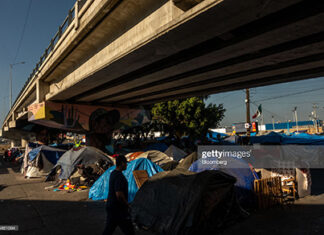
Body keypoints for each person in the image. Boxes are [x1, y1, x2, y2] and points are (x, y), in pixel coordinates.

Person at [103, 155, 134, 235]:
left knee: (109, 229)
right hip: (118, 209)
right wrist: (127, 204)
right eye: (126, 163)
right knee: (129, 230)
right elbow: (119, 194)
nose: (127, 165)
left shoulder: (113, 173)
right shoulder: (119, 176)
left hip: (112, 207)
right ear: (122, 163)